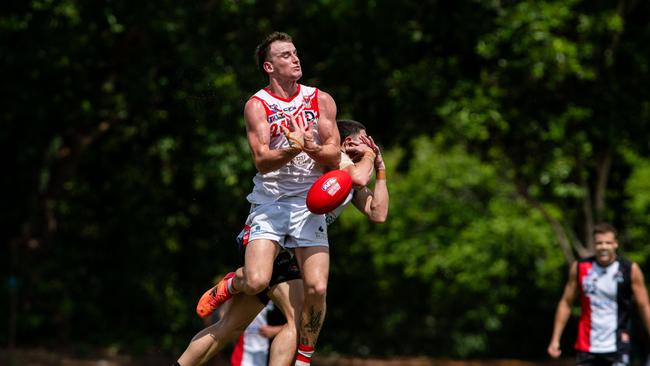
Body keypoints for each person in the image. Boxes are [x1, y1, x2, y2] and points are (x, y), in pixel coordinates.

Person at [175, 120, 388, 366]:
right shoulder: (333, 159)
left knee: (230, 329)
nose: (370, 143)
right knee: (293, 316)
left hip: (293, 250)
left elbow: (378, 213)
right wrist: (370, 156)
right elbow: (360, 177)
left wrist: (381, 171)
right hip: (271, 237)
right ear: (349, 142)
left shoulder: (350, 177)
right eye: (366, 138)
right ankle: (237, 280)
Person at [196, 31, 341, 366]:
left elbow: (333, 151)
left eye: (295, 53)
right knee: (258, 279)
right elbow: (261, 158)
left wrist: (312, 147)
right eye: (286, 55)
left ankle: (303, 359)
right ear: (269, 66)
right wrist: (292, 147)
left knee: (317, 289)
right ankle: (233, 282)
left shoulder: (321, 100)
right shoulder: (257, 105)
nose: (295, 59)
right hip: (271, 203)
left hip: (309, 204)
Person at [547, 222, 650, 366]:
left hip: (619, 345)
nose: (603, 247)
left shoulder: (630, 270)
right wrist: (555, 339)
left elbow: (644, 306)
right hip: (586, 345)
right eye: (599, 243)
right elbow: (566, 303)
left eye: (608, 243)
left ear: (615, 244)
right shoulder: (580, 268)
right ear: (594, 245)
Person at [230, 301, 285, 366]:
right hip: (244, 354)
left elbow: (296, 324)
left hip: (272, 354)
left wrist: (275, 331)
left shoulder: (284, 295)